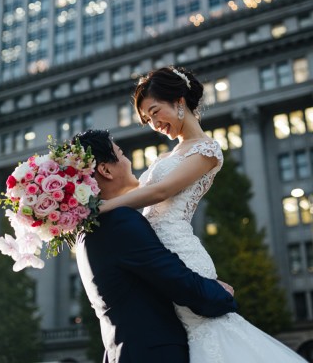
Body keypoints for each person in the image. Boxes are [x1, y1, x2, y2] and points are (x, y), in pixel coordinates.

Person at [99, 67, 307, 363]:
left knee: (208, 335)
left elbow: (160, 192)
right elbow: (131, 191)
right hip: (156, 253)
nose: (155, 124)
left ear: (179, 100)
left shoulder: (208, 151)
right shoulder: (168, 155)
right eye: (148, 120)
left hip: (180, 253)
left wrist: (100, 209)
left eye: (156, 112)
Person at [74, 129, 237, 363]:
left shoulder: (87, 230)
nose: (128, 161)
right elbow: (175, 278)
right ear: (105, 170)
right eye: (121, 154)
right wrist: (221, 295)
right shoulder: (119, 221)